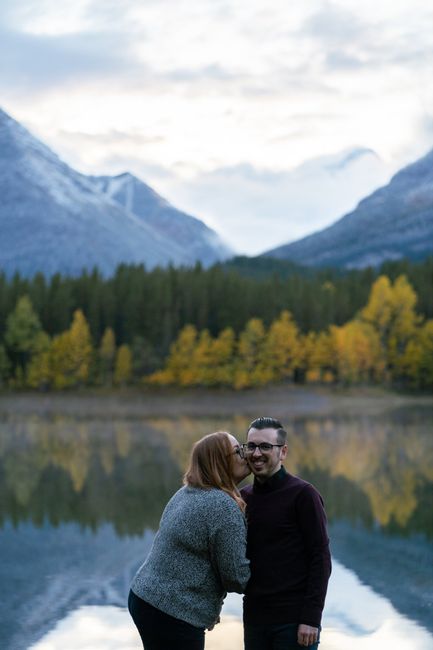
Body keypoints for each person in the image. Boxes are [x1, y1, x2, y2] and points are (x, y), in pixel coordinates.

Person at [128, 431, 251, 650]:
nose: (246, 455)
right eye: (237, 451)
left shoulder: (186, 493)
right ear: (219, 462)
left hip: (143, 596)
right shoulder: (223, 507)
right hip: (172, 611)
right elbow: (236, 577)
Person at [241, 417, 331, 650]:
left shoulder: (303, 495)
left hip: (294, 622)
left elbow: (320, 558)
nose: (256, 453)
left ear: (283, 452)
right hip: (254, 620)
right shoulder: (242, 498)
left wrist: (311, 618)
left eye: (265, 447)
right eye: (251, 446)